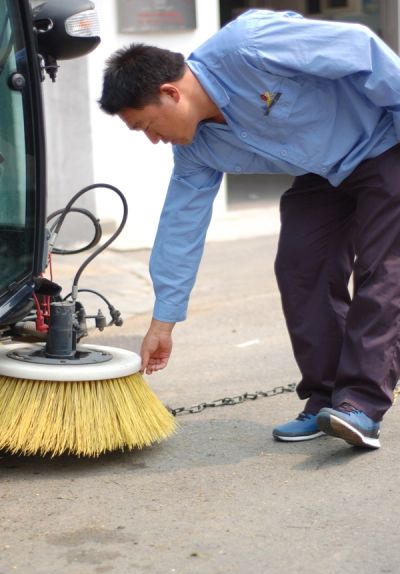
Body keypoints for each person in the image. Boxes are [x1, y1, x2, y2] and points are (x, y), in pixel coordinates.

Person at [99, 8, 400, 450]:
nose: (153, 139)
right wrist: (163, 323)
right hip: (323, 174)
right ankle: (325, 399)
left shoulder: (250, 44)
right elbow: (180, 228)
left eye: (146, 125)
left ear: (170, 92)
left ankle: (362, 405)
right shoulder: (196, 152)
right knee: (300, 269)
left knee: (382, 271)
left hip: (383, 145)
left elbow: (361, 50)